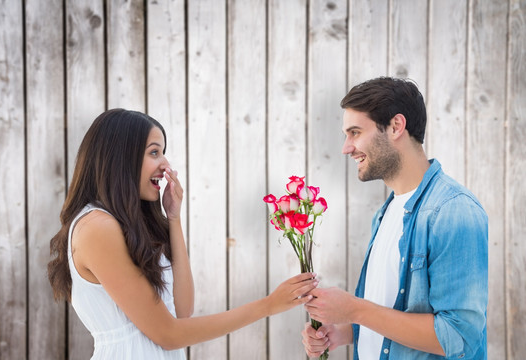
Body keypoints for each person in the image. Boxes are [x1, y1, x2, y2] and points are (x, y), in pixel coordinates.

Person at [48, 108, 318, 359]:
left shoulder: (129, 225)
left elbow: (182, 310)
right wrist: (267, 306)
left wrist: (173, 219)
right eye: (154, 152)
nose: (165, 164)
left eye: (163, 152)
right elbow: (168, 334)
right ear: (121, 158)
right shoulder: (96, 227)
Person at [301, 77, 488, 359]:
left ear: (396, 126)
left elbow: (458, 337)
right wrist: (344, 332)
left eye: (355, 132)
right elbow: (397, 312)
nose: (346, 148)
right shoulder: (386, 213)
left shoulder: (453, 211)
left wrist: (354, 309)